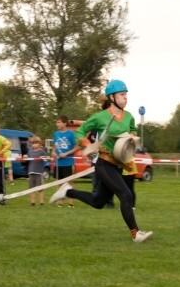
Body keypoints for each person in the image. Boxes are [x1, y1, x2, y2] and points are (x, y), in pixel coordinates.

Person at [49, 79, 153, 243]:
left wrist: (133, 138)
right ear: (111, 97)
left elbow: (132, 130)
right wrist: (87, 144)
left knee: (98, 202)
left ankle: (67, 191)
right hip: (104, 164)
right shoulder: (100, 117)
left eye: (126, 95)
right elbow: (81, 131)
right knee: (126, 195)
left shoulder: (129, 117)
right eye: (122, 94)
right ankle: (136, 234)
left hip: (118, 164)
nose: (126, 98)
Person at [52, 115, 79, 208]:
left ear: (64, 123)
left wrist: (67, 153)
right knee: (59, 182)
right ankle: (60, 202)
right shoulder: (56, 134)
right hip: (59, 163)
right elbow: (55, 146)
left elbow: (77, 147)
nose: (57, 124)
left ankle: (71, 202)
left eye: (59, 122)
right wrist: (53, 152)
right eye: (56, 122)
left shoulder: (71, 134)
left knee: (69, 182)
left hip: (68, 162)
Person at [24, 135, 48, 206]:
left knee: (40, 188)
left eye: (36, 143)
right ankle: (33, 202)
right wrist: (24, 157)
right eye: (33, 143)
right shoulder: (30, 152)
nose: (34, 144)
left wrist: (43, 157)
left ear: (39, 144)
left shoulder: (42, 151)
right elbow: (24, 161)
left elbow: (47, 158)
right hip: (31, 172)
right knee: (31, 188)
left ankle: (41, 202)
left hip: (39, 172)